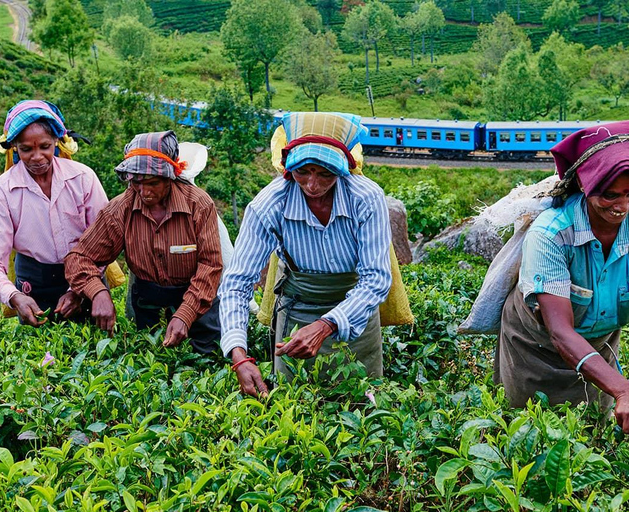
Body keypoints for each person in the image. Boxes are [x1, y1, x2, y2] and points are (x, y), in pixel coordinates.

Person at [495, 120, 629, 447]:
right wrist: (624, 389)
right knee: (528, 438)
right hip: (533, 350)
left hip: (598, 347)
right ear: (585, 186)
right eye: (609, 195)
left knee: (589, 440)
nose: (623, 206)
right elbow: (561, 331)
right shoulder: (551, 235)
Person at [219, 112, 393, 397]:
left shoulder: (366, 198)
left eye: (325, 174)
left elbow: (375, 280)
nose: (313, 185)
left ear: (343, 170)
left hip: (355, 316)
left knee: (361, 407)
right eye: (303, 172)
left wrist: (327, 324)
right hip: (298, 311)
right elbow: (236, 283)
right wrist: (239, 355)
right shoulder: (269, 205)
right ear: (289, 168)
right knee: (297, 406)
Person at [65, 131, 223, 353]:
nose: (144, 191)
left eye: (153, 183)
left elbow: (210, 265)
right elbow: (79, 258)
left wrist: (186, 314)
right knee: (150, 362)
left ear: (170, 176)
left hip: (198, 302)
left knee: (203, 361)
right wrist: (97, 292)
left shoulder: (198, 204)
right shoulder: (121, 209)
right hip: (147, 303)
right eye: (136, 182)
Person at [0, 100, 109, 326]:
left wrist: (79, 289)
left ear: (57, 141)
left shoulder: (82, 178)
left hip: (88, 278)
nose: (37, 157)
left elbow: (104, 240)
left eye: (44, 147)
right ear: (15, 147)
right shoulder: (2, 193)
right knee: (41, 356)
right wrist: (15, 296)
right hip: (33, 286)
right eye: (27, 149)